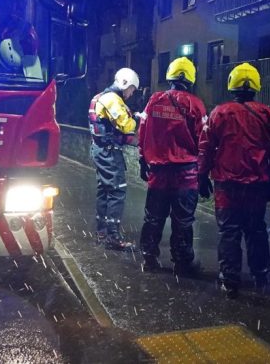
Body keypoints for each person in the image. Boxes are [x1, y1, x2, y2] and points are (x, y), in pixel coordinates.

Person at [198, 63, 270, 298]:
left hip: (227, 186)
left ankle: (230, 279)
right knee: (256, 230)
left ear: (231, 84)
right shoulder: (267, 114)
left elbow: (205, 148)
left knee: (229, 232)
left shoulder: (219, 112)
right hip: (256, 186)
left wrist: (201, 176)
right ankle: (260, 274)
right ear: (256, 85)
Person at [138, 57, 207, 276]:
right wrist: (204, 174)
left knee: (153, 217)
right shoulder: (195, 104)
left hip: (158, 173)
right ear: (191, 78)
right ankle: (182, 261)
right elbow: (203, 140)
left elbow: (143, 131)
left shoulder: (155, 100)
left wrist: (142, 159)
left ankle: (149, 258)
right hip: (186, 174)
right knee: (183, 221)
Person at [88, 67, 141, 250]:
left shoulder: (103, 96)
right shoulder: (112, 99)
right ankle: (113, 236)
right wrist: (138, 120)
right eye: (132, 89)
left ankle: (102, 232)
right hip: (108, 152)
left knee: (104, 190)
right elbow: (126, 126)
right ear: (124, 83)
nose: (131, 94)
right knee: (117, 191)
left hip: (101, 150)